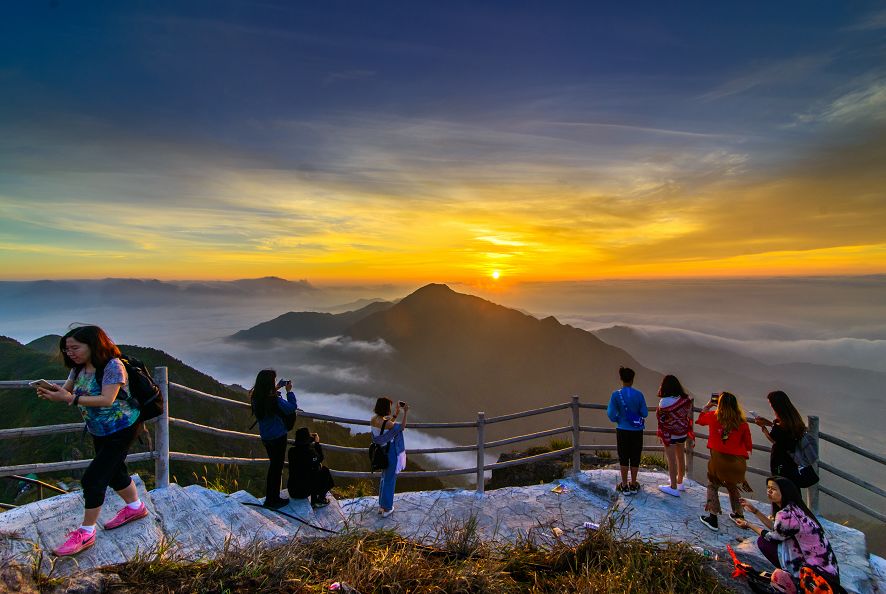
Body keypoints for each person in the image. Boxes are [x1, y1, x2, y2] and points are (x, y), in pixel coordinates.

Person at [34, 325, 147, 556]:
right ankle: (136, 507)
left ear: (93, 345)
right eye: (67, 349)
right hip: (99, 429)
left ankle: (86, 533)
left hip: (123, 427)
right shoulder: (78, 369)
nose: (70, 353)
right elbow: (67, 391)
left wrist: (71, 399)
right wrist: (53, 393)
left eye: (75, 347)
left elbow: (107, 399)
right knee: (115, 472)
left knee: (93, 479)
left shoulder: (113, 366)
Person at [735, 477, 842, 593]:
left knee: (763, 542)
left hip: (814, 573)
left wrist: (748, 524)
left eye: (773, 489)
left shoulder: (786, 514)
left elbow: (772, 537)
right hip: (829, 571)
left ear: (784, 492)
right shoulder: (795, 508)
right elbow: (779, 530)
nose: (769, 491)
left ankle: (793, 578)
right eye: (768, 488)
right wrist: (755, 510)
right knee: (776, 543)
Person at [697, 391, 753, 531]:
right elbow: (748, 444)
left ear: (719, 404)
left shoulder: (713, 417)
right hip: (737, 463)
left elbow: (700, 419)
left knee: (712, 485)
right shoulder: (742, 423)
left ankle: (713, 517)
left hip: (718, 461)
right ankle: (739, 515)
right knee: (732, 487)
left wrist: (708, 405)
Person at [250, 369, 298, 509]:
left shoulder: (255, 397)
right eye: (274, 381)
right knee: (276, 468)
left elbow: (265, 396)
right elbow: (291, 408)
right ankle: (273, 500)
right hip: (278, 436)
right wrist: (289, 391)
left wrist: (277, 387)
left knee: (274, 466)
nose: (275, 383)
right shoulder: (274, 400)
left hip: (266, 437)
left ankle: (272, 497)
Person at [606, 366, 648, 495]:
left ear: (621, 379)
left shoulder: (615, 395)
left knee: (623, 456)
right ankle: (634, 484)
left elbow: (611, 414)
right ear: (632, 379)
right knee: (635, 456)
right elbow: (644, 413)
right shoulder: (639, 394)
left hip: (622, 429)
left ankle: (624, 485)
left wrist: (620, 419)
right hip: (637, 430)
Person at [754, 391, 808, 487]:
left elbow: (774, 439)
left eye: (770, 403)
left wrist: (764, 428)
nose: (770, 406)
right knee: (791, 486)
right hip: (792, 461)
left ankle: (786, 502)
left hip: (780, 461)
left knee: (781, 485)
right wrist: (769, 423)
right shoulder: (793, 420)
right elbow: (783, 435)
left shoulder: (781, 424)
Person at [655, 374, 694, 497]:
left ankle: (673, 487)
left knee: (671, 461)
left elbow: (662, 419)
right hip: (682, 432)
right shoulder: (685, 400)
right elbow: (686, 414)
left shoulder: (664, 402)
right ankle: (680, 482)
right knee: (680, 457)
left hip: (669, 434)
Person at [370, 397, 408, 517]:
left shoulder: (374, 419)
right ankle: (387, 509)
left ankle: (381, 506)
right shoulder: (387, 423)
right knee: (390, 480)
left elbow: (385, 426)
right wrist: (405, 412)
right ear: (386, 408)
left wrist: (396, 414)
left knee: (384, 478)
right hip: (390, 452)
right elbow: (401, 427)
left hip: (381, 452)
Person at [287, 427, 335, 508]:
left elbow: (303, 452)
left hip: (292, 490)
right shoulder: (310, 453)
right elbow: (320, 458)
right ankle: (318, 500)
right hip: (303, 492)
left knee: (311, 470)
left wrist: (308, 439)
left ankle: (316, 499)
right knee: (324, 470)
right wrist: (317, 443)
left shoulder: (291, 451)